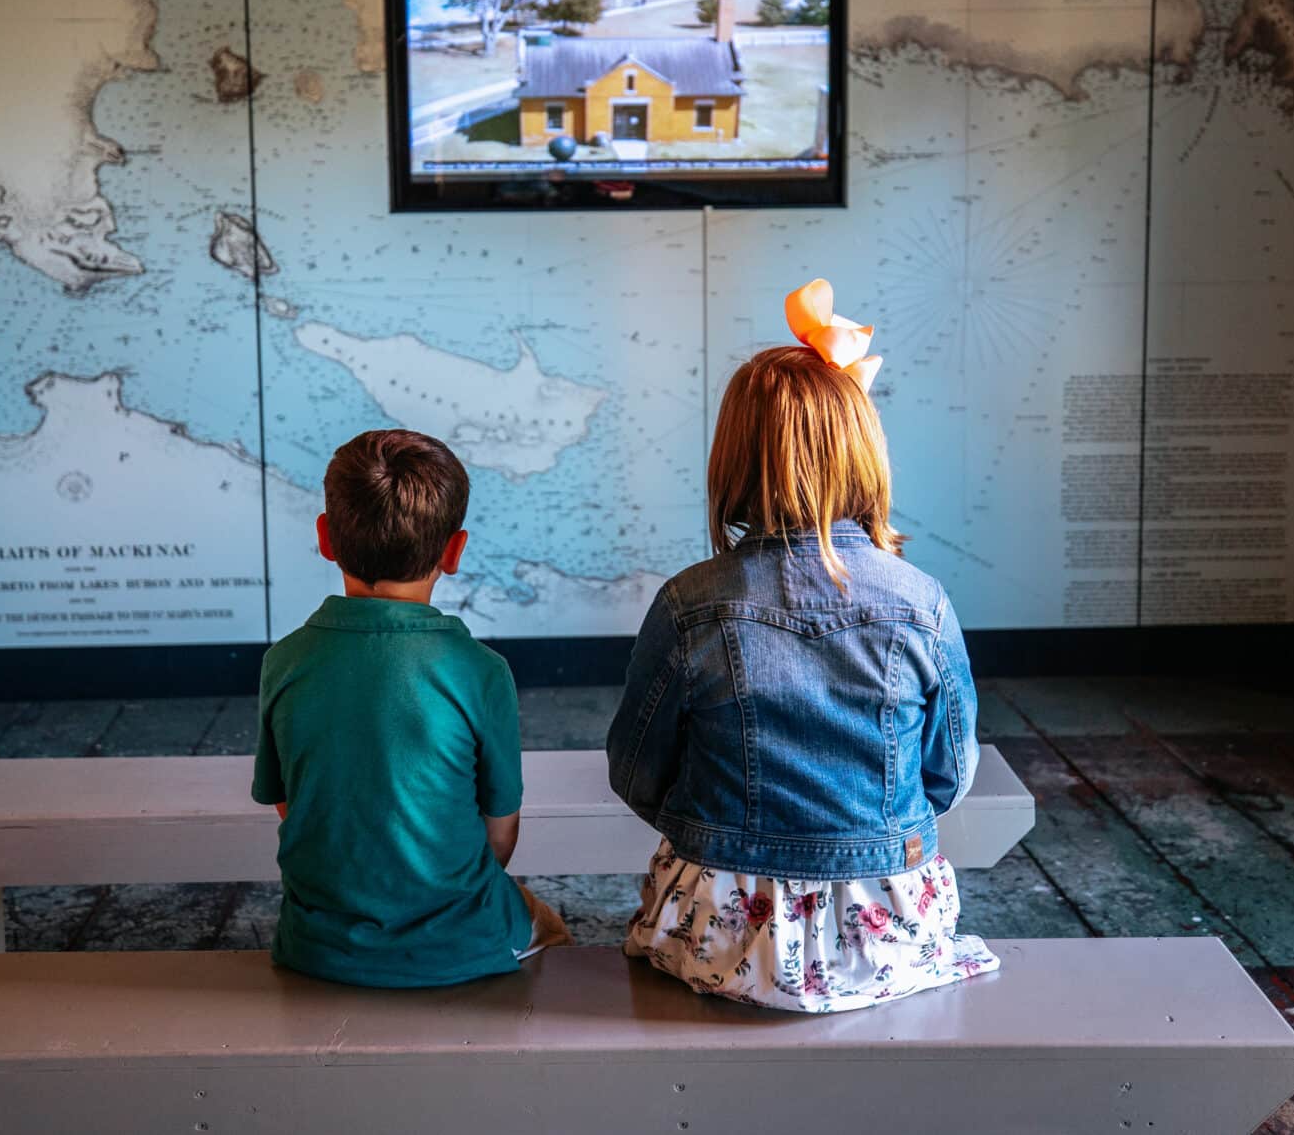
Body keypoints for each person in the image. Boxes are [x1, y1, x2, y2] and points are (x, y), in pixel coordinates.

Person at [606, 279, 999, 1012]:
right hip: (886, 936)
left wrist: (717, 831)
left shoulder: (690, 604)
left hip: (723, 937)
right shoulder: (923, 601)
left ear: (733, 460)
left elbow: (634, 770)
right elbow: (948, 776)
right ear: (863, 452)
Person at [253, 428, 569, 987]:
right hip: (459, 937)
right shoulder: (480, 671)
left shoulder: (284, 661)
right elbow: (501, 834)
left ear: (326, 538)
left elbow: (288, 802)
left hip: (317, 945)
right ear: (454, 551)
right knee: (552, 927)